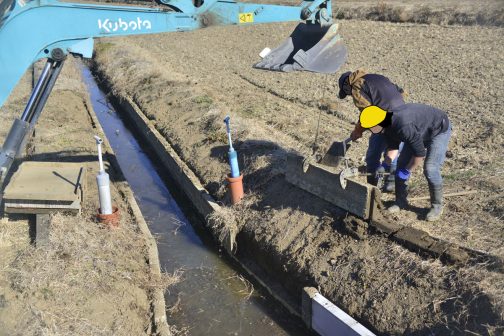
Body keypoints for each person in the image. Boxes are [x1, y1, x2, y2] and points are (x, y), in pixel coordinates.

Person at [359, 103, 452, 221]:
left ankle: (437, 206)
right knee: (401, 163)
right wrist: (385, 165)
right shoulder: (386, 127)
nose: (371, 130)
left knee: (430, 169)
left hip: (438, 129)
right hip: (419, 130)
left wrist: (407, 171)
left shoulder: (402, 126)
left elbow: (419, 154)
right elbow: (393, 148)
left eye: (371, 127)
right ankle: (401, 201)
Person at [338, 69, 405, 191]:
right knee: (392, 149)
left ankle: (371, 187)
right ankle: (391, 183)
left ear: (346, 86)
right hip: (403, 116)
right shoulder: (378, 77)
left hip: (385, 118)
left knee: (373, 156)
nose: (349, 95)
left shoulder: (357, 86)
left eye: (346, 93)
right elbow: (400, 91)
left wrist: (358, 130)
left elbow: (367, 113)